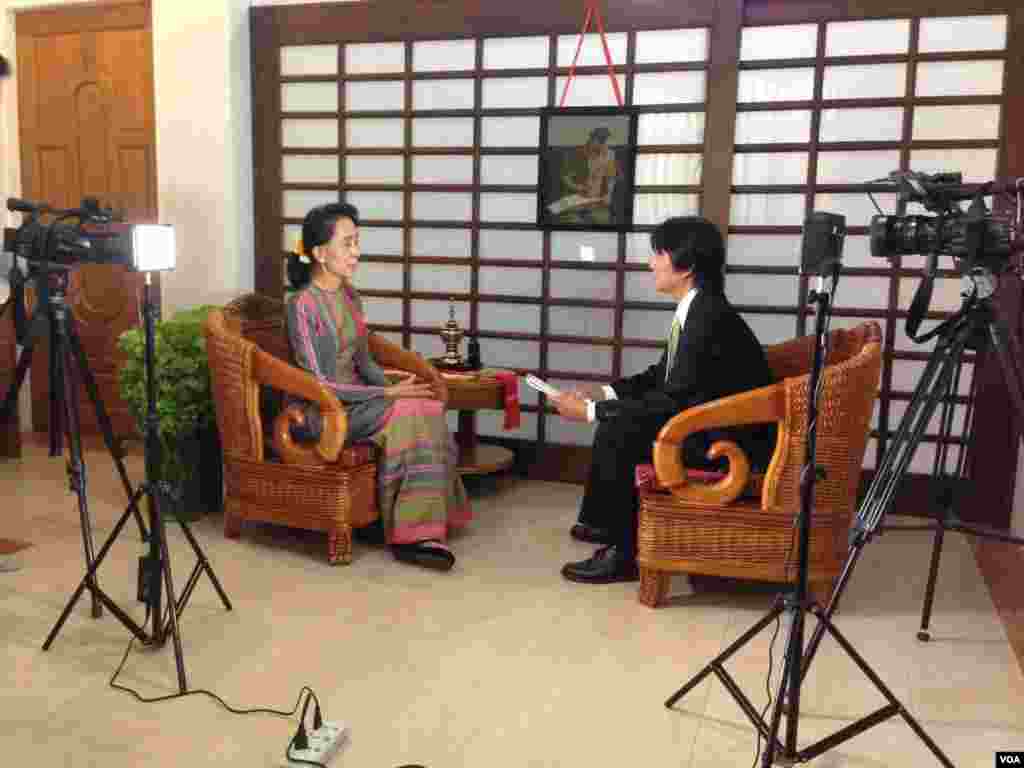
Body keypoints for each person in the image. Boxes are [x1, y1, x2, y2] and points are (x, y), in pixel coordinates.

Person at [552, 216, 776, 584]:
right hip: (711, 424)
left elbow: (676, 399)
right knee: (620, 419)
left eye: (658, 254)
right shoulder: (700, 307)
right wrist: (604, 392)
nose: (651, 263)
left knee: (620, 427)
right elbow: (663, 375)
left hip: (729, 443)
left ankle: (624, 551)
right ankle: (608, 526)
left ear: (685, 266)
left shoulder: (708, 316)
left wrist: (592, 411)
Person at [285, 202, 471, 571]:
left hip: (361, 402)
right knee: (404, 411)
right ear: (321, 253)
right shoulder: (301, 305)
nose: (356, 252)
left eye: (357, 242)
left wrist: (395, 384)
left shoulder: (351, 297)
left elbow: (365, 361)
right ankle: (411, 536)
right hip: (324, 409)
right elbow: (318, 384)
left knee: (426, 405)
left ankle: (427, 522)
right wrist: (388, 394)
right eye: (348, 243)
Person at [547, 126, 621, 225]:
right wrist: (578, 188)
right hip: (577, 197)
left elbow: (612, 177)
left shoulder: (609, 155)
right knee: (559, 213)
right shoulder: (577, 154)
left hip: (598, 200)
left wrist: (609, 194)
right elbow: (565, 177)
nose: (603, 146)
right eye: (599, 141)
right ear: (592, 139)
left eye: (604, 143)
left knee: (602, 220)